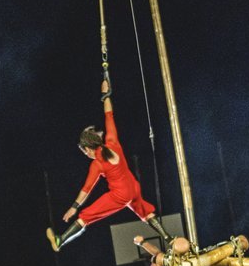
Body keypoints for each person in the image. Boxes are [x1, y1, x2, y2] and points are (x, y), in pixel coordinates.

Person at [47, 79, 174, 251]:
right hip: (133, 187)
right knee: (145, 211)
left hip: (120, 195)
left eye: (85, 152)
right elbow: (109, 115)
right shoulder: (112, 141)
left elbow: (86, 189)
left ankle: (60, 240)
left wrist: (73, 208)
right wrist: (105, 95)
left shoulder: (97, 164)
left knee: (87, 215)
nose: (86, 155)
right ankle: (168, 238)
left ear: (88, 149)